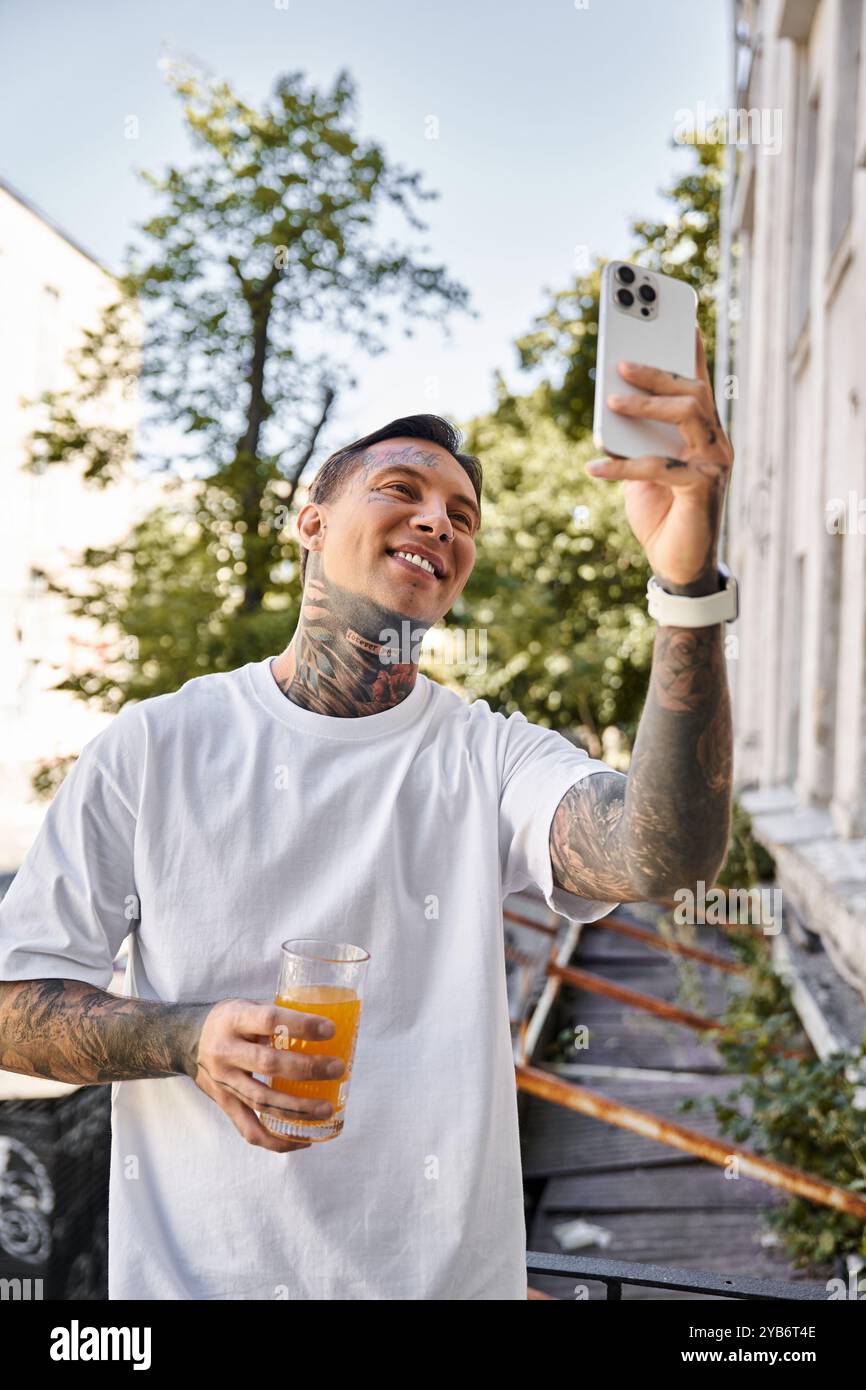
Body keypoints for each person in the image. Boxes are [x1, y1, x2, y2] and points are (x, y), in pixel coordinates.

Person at [0, 331, 735, 1299]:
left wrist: (685, 592)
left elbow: (660, 853)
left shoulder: (488, 752)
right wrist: (187, 1038)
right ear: (309, 520)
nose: (439, 520)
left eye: (461, 515)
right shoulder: (155, 743)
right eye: (401, 489)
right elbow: (17, 1009)